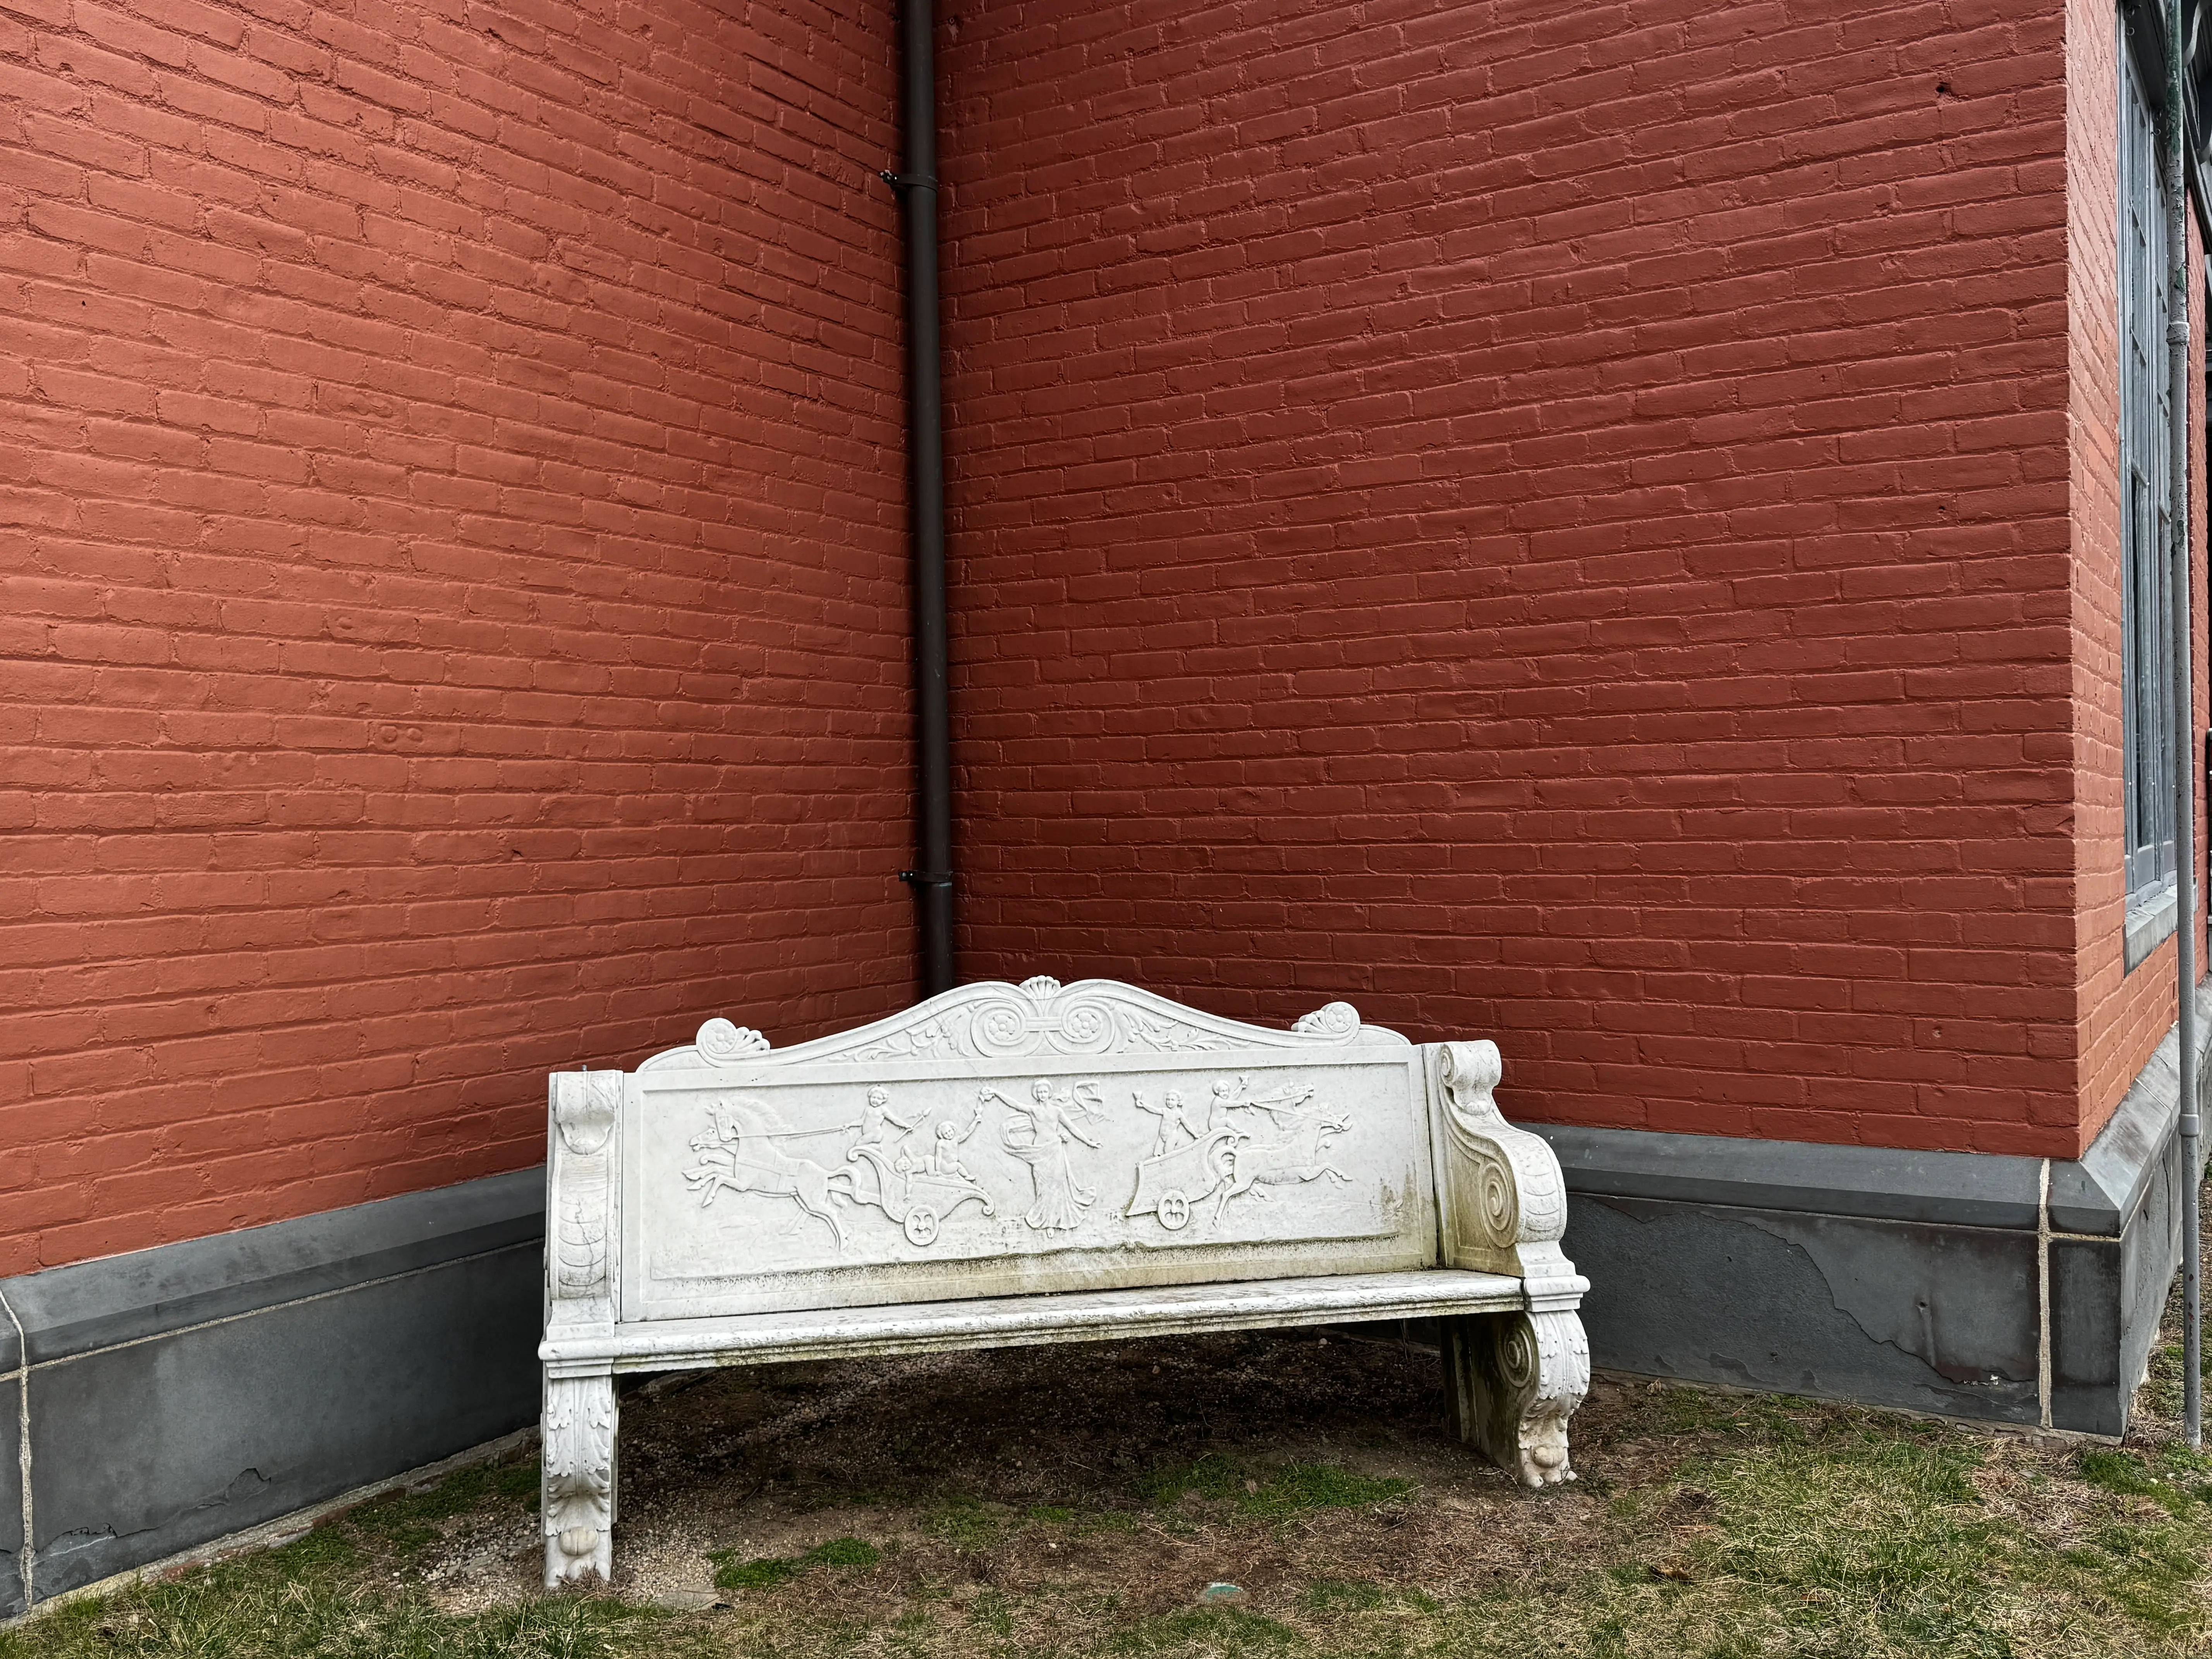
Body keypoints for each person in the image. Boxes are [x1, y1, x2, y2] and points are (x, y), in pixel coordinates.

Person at [983, 1079, 1101, 1231]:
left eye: (1045, 1091)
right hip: (1039, 1151)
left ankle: (1058, 1220)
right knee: (1043, 1186)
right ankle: (1046, 1222)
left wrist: (1089, 1142)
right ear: (1036, 1094)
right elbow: (1015, 1104)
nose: (1042, 1094)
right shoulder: (1033, 1110)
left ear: (1049, 1093)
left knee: (1058, 1183)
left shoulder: (1057, 1111)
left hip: (1055, 1148)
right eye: (1040, 1092)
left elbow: (1072, 1128)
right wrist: (997, 1093)